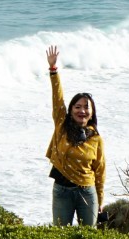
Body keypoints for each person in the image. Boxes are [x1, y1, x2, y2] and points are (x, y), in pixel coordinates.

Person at [44, 44, 104, 226]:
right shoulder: (62, 126)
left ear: (92, 113)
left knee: (88, 238)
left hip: (87, 191)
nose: (82, 110)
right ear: (70, 111)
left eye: (87, 107)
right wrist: (53, 70)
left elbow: (100, 170)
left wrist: (100, 199)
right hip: (62, 190)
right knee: (60, 236)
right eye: (78, 106)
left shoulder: (95, 138)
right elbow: (58, 99)